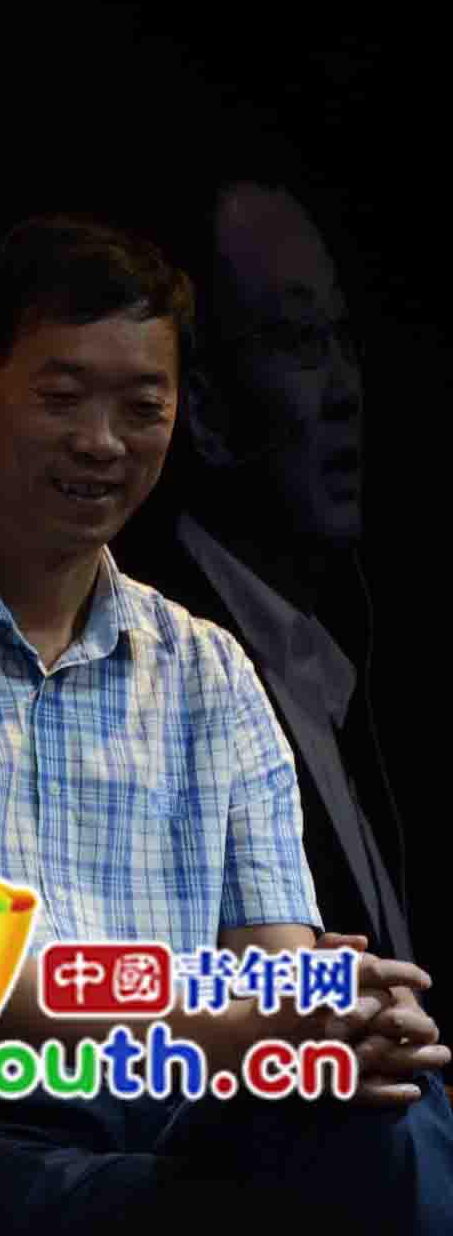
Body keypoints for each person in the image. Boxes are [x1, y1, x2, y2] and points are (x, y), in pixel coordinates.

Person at [0, 214, 453, 1231]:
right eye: (62, 397)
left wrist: (340, 1019)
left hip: (174, 1118)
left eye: (142, 406)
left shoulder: (208, 667)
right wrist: (235, 1020)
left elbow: (275, 968)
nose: (103, 442)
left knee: (393, 1118)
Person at [123, 181, 413, 976]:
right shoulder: (162, 663)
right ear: (206, 409)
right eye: (297, 341)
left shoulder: (335, 658)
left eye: (343, 338)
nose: (344, 390)